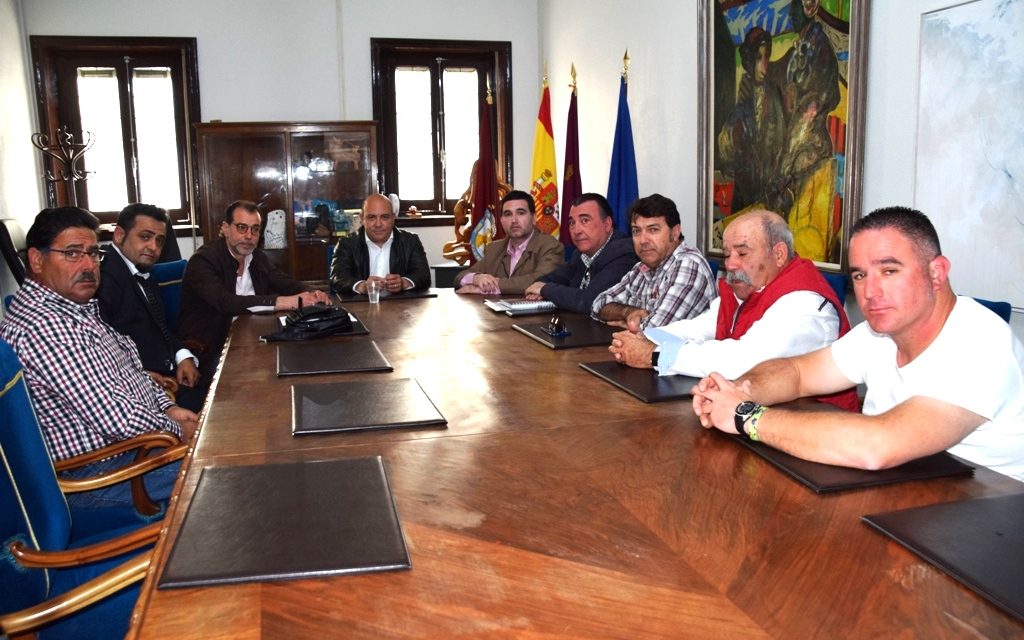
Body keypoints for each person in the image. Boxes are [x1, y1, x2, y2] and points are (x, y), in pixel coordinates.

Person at [693, 206, 1024, 480]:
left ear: (937, 273)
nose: (870, 291)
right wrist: (737, 390)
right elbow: (797, 372)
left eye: (889, 271)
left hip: (988, 516)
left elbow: (878, 444)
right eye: (860, 275)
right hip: (908, 491)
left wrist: (746, 415)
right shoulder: (879, 332)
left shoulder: (981, 342)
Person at [0, 207, 199, 508]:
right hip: (98, 474)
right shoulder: (43, 327)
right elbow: (116, 417)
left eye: (93, 253)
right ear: (37, 259)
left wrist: (169, 409)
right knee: (223, 468)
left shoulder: (73, 307)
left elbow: (131, 372)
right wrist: (178, 429)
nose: (88, 265)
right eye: (72, 253)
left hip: (130, 448)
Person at [609, 209, 859, 411]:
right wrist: (644, 339)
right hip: (748, 414)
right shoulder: (751, 286)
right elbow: (701, 327)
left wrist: (655, 354)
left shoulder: (806, 303)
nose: (730, 264)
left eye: (742, 252)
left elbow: (743, 360)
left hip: (810, 429)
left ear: (779, 254)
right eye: (727, 254)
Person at [178, 200, 330, 371]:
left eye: (255, 229)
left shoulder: (256, 257)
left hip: (252, 340)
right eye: (242, 227)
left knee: (304, 360)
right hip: (213, 349)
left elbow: (284, 281)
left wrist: (313, 292)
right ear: (226, 228)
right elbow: (227, 303)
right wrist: (287, 302)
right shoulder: (203, 261)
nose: (249, 236)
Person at [97, 203, 203, 412]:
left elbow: (160, 328)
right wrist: (143, 375)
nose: (153, 247)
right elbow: (103, 352)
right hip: (143, 394)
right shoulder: (102, 279)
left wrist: (183, 355)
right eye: (145, 237)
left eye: (159, 240)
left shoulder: (143, 272)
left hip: (171, 377)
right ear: (119, 235)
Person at [591, 193, 716, 329]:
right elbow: (598, 304)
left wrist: (625, 322)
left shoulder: (689, 264)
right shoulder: (641, 268)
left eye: (653, 230)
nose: (643, 240)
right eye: (636, 231)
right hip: (646, 349)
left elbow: (655, 330)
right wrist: (628, 312)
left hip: (676, 350)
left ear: (675, 232)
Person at [523, 193, 637, 313]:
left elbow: (590, 301)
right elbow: (546, 280)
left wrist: (545, 290)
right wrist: (540, 288)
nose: (576, 231)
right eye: (572, 223)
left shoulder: (624, 253)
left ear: (607, 224)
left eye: (585, 220)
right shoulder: (580, 254)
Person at [455, 190, 564, 295]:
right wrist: (476, 278)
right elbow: (460, 277)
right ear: (502, 221)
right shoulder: (494, 248)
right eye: (508, 214)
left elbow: (540, 280)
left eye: (521, 213)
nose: (514, 220)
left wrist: (488, 287)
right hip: (495, 312)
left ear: (534, 218)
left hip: (536, 313)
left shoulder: (551, 246)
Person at [330, 193, 431, 295]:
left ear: (393, 218)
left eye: (384, 217)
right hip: (361, 306)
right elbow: (337, 279)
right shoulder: (347, 244)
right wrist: (362, 286)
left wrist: (403, 283)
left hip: (400, 306)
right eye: (372, 217)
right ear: (362, 218)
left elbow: (424, 276)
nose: (378, 224)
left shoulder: (410, 241)